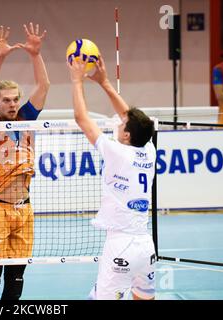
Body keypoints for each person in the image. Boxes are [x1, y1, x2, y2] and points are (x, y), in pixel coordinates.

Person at [67, 55, 156, 300]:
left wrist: (77, 81)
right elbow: (133, 118)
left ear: (127, 135)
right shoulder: (149, 149)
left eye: (122, 124)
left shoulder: (116, 152)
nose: (119, 122)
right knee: (145, 298)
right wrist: (104, 83)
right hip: (145, 245)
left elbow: (81, 119)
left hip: (121, 247)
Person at [0, 23, 50, 300]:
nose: (13, 104)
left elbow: (44, 85)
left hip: (25, 210)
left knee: (17, 278)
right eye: (6, 100)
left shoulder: (27, 118)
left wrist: (35, 54)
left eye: (15, 99)